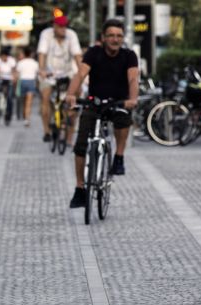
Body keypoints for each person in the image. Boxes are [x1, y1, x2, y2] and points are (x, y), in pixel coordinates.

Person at [65, 19, 139, 208]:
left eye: (119, 36)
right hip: (95, 103)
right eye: (111, 35)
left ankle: (119, 156)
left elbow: (133, 79)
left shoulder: (129, 55)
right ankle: (80, 188)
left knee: (124, 120)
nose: (115, 39)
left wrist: (132, 99)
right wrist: (71, 94)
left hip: (118, 102)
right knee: (81, 144)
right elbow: (81, 74)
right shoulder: (93, 53)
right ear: (103, 38)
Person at [37, 15, 83, 143]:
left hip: (67, 73)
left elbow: (77, 56)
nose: (64, 29)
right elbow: (42, 54)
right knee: (45, 96)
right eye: (61, 27)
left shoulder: (71, 35)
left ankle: (69, 137)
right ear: (54, 27)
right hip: (49, 74)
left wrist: (81, 74)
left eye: (65, 26)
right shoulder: (46, 35)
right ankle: (46, 131)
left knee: (76, 98)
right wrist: (42, 69)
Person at [14, 47, 40, 127]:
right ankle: (27, 119)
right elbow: (38, 74)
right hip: (31, 82)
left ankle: (24, 115)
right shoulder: (35, 63)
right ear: (31, 54)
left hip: (22, 81)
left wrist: (15, 84)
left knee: (23, 101)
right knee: (29, 103)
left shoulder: (20, 63)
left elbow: (16, 75)